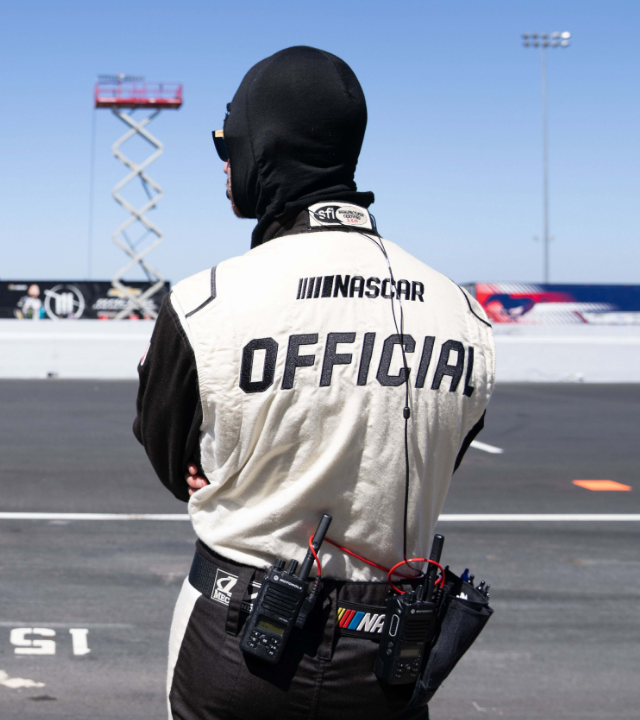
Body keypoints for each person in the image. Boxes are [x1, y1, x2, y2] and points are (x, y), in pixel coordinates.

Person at [134, 47, 495, 719]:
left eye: (227, 142)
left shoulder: (204, 302)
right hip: (389, 658)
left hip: (236, 642)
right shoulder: (464, 313)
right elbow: (444, 454)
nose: (221, 161)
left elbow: (170, 458)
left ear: (264, 148)